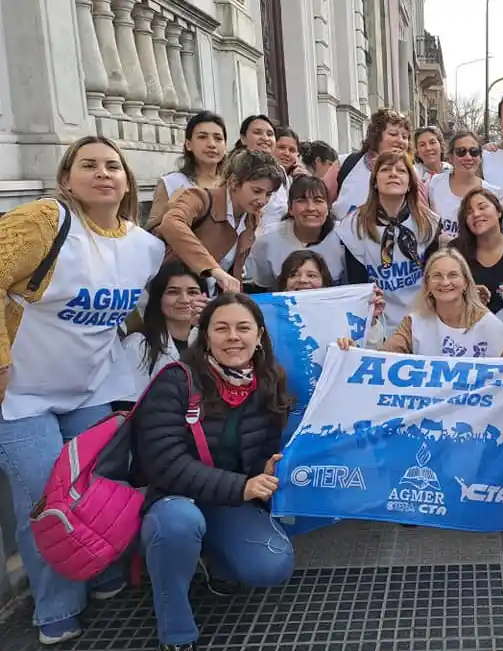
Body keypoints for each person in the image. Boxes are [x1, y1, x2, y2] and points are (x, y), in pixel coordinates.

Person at [0, 136, 164, 645]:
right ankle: (56, 607)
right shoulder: (46, 222)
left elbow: (133, 313)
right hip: (22, 395)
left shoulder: (146, 248)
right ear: (66, 178)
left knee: (97, 492)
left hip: (91, 389)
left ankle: (100, 570)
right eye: (88, 164)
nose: (103, 173)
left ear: (128, 180)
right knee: (45, 500)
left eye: (113, 165)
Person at [135, 293, 294, 651]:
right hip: (174, 499)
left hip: (228, 499)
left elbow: (259, 454)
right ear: (205, 336)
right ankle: (176, 630)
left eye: (243, 328)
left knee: (271, 564)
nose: (233, 337)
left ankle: (216, 559)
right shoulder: (176, 381)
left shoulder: (268, 381)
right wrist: (243, 487)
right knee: (178, 524)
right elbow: (164, 463)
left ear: (259, 336)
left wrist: (265, 469)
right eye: (221, 328)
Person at [151, 149, 285, 295]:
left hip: (210, 298)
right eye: (257, 191)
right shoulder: (200, 198)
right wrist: (213, 269)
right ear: (234, 182)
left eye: (268, 194)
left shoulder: (251, 218)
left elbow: (235, 273)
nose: (263, 200)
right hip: (174, 295)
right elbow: (171, 222)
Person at [338, 249, 503, 357]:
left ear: (466, 283)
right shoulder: (413, 323)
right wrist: (354, 354)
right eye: (437, 276)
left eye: (453, 275)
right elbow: (382, 361)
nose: (445, 282)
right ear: (427, 284)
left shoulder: (489, 325)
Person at [336, 151, 440, 331]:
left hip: (422, 318)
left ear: (409, 184)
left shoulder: (428, 222)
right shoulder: (354, 226)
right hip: (377, 321)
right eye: (385, 169)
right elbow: (358, 285)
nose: (393, 174)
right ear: (375, 181)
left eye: (401, 170)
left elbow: (434, 276)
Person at [121, 262, 208, 403]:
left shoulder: (214, 342)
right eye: (173, 292)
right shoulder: (138, 345)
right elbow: (128, 408)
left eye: (192, 292)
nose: (184, 300)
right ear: (158, 298)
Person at [324, 108, 427, 221]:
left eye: (405, 137)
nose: (400, 140)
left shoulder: (412, 173)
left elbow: (422, 216)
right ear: (376, 136)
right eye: (393, 134)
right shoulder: (345, 163)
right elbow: (320, 201)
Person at [246, 175, 345, 290]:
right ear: (290, 208)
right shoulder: (267, 241)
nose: (311, 208)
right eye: (301, 201)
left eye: (318, 201)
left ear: (328, 207)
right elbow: (263, 287)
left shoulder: (344, 237)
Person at [276, 250, 386, 347]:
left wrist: (370, 320)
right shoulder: (272, 316)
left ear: (324, 282)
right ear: (284, 283)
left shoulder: (343, 315)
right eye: (293, 275)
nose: (302, 280)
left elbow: (372, 349)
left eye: (311, 275)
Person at [452, 187, 503, 315]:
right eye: (469, 212)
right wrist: (467, 295)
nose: (476, 214)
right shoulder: (454, 252)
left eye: (482, 207)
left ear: (499, 212)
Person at [148, 111, 226, 226]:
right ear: (188, 144)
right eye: (202, 137)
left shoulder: (232, 184)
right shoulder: (171, 183)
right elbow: (150, 230)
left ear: (225, 147)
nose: (212, 144)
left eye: (218, 138)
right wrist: (167, 212)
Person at [428, 130, 500, 236]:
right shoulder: (434, 183)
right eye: (461, 151)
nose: (468, 157)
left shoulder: (493, 193)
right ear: (451, 157)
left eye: (474, 151)